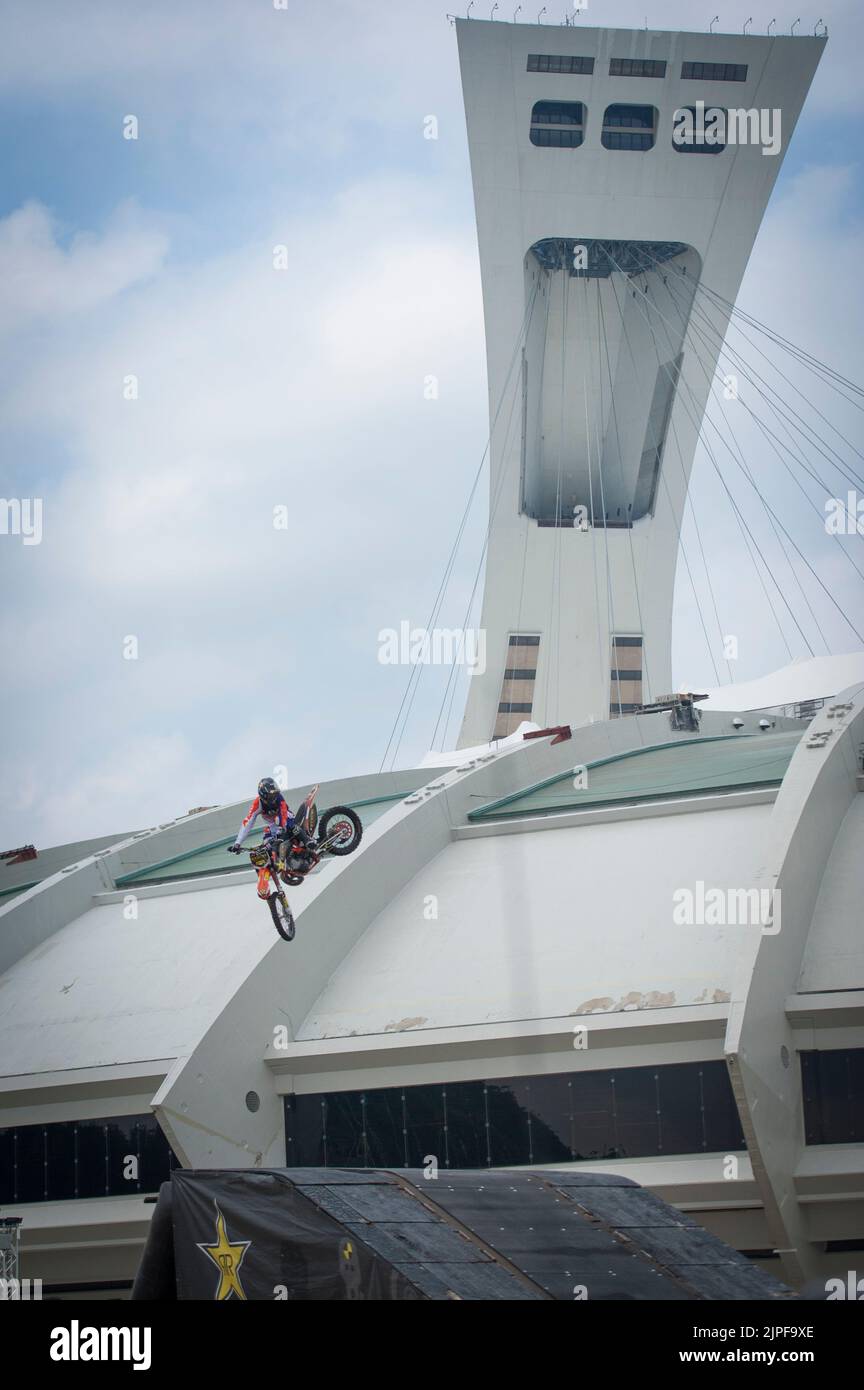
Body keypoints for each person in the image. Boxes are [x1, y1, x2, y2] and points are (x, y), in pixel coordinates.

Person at [228, 777, 295, 869]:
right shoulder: (258, 803)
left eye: (275, 793)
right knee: (266, 845)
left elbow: (283, 814)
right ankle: (277, 864)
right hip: (272, 827)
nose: (274, 797)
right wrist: (237, 843)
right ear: (263, 795)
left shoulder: (279, 798)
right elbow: (248, 822)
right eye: (271, 795)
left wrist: (282, 829)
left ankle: (308, 840)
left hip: (287, 820)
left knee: (278, 821)